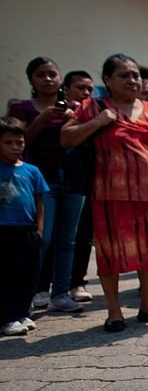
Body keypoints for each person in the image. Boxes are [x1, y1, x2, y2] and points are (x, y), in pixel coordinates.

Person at [61, 53, 148, 332]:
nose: (132, 80)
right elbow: (66, 137)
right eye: (124, 75)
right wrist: (99, 121)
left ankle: (147, 305)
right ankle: (114, 312)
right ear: (107, 80)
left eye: (136, 75)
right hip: (111, 195)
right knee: (111, 253)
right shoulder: (95, 107)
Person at [7, 58, 86, 314]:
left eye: (52, 74)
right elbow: (19, 141)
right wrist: (42, 118)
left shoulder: (77, 107)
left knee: (67, 240)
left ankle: (60, 293)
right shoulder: (20, 108)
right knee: (43, 238)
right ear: (31, 79)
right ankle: (30, 292)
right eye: (41, 75)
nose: (48, 79)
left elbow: (83, 139)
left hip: (73, 179)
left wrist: (74, 119)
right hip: (41, 180)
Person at [0, 118, 47, 336]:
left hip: (26, 230)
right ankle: (6, 318)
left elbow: (39, 203)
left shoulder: (32, 171)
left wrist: (39, 230)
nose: (15, 147)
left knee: (27, 275)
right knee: (6, 276)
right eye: (8, 142)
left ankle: (21, 314)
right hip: (3, 230)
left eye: (19, 142)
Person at [63, 70, 96, 304]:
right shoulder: (63, 115)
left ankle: (77, 282)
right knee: (60, 238)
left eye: (89, 89)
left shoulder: (96, 114)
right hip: (62, 182)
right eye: (80, 88)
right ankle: (49, 287)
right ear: (66, 89)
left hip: (90, 182)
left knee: (84, 236)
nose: (85, 93)